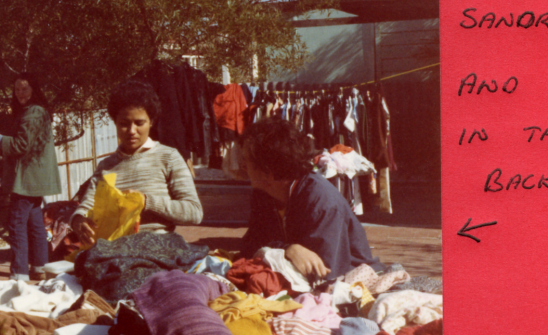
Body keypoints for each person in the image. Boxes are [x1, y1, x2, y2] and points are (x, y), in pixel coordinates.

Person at [238, 117, 382, 281]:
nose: (243, 167)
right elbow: (248, 248)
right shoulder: (264, 194)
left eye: (247, 161)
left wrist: (278, 252)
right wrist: (287, 250)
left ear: (267, 171)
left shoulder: (322, 203)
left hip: (348, 278)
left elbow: (324, 273)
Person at [71, 80, 203, 245]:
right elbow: (87, 205)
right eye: (124, 124)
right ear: (115, 123)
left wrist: (147, 201)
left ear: (151, 121)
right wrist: (78, 219)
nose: (132, 131)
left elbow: (194, 212)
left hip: (157, 246)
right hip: (112, 247)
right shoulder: (106, 166)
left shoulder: (168, 157)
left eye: (139, 123)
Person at [0, 73, 61, 281]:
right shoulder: (35, 111)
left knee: (16, 224)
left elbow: (21, 145)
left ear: (33, 89)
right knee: (35, 223)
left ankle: (19, 274)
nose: (20, 93)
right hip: (33, 177)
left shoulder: (33, 113)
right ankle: (40, 267)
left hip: (27, 179)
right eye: (17, 89)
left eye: (25, 88)